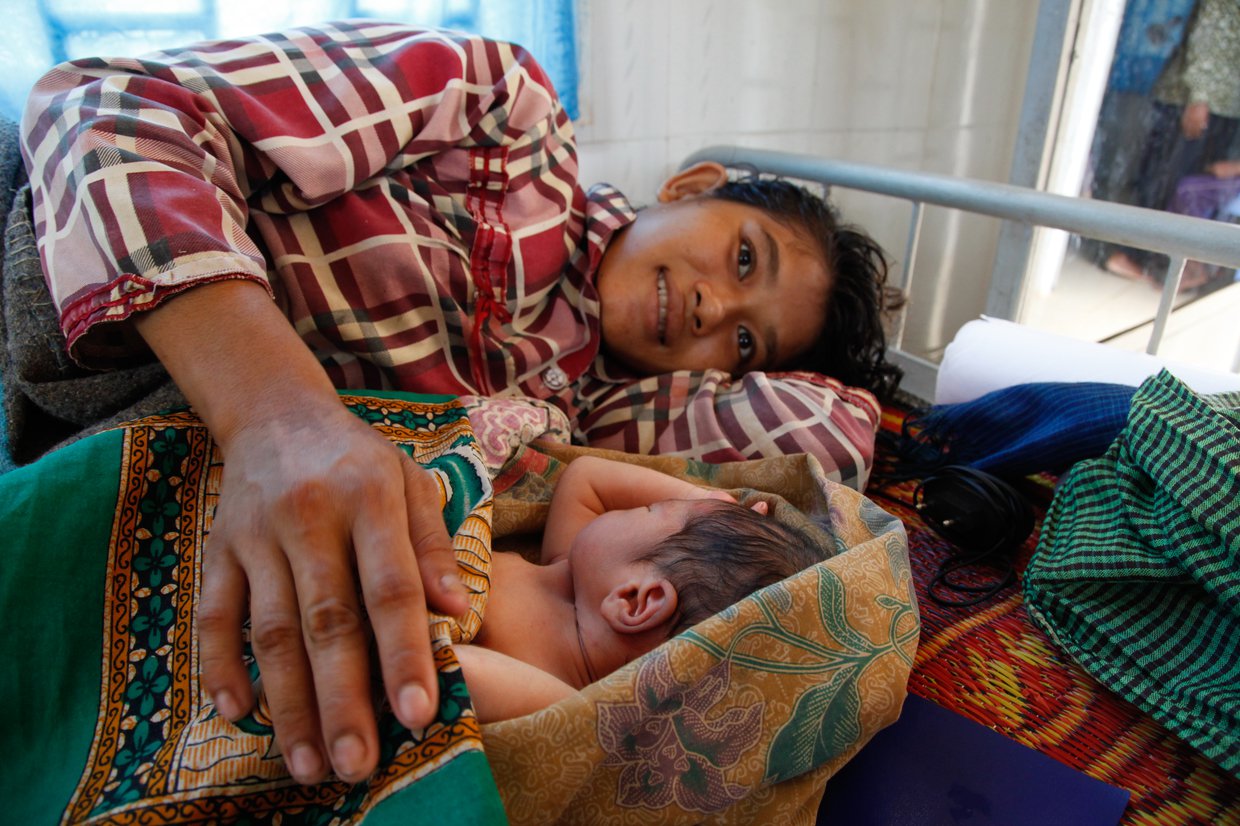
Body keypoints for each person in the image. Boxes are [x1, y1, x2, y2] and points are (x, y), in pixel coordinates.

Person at [15, 22, 899, 785]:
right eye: (744, 258)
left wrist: (722, 505)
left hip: (79, 444)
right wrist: (277, 413)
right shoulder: (505, 117)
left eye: (745, 344)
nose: (716, 307)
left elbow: (835, 435)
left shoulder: (577, 415)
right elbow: (103, 106)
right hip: (40, 258)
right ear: (690, 184)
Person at [451, 455, 821, 724]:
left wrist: (696, 510)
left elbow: (443, 668)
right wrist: (707, 499)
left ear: (636, 601)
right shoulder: (568, 571)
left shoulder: (557, 702)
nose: (632, 507)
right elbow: (586, 478)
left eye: (648, 509)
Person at [1101, 0, 1240, 281]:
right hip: (1197, 102)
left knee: (1192, 189)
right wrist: (1199, 97)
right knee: (1164, 180)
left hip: (1223, 106)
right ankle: (1130, 255)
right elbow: (1209, 35)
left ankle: (1165, 263)